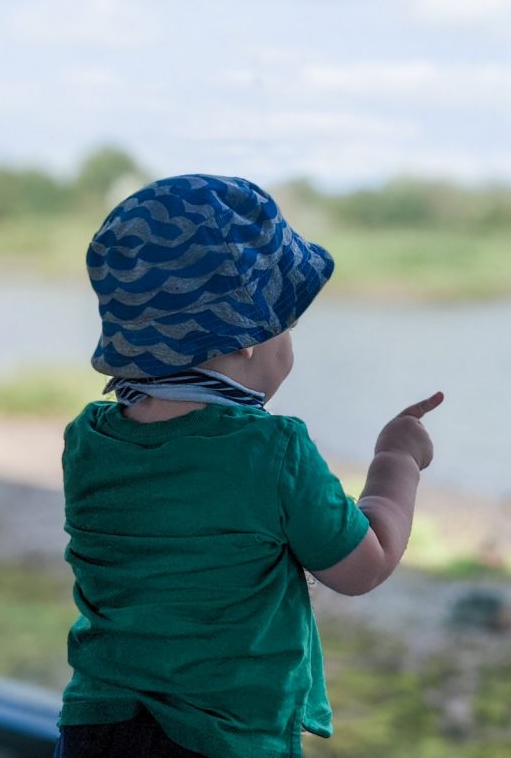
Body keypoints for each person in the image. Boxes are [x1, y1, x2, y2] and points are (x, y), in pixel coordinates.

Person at [53, 174, 443, 758]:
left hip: (96, 729)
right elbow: (363, 567)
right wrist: (397, 459)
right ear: (247, 340)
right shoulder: (271, 450)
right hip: (228, 740)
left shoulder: (88, 440)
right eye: (289, 323)